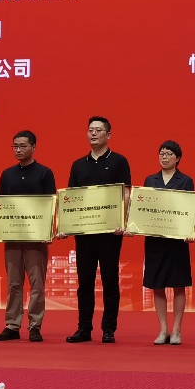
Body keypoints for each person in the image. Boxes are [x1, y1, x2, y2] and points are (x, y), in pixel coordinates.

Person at [64, 116, 131, 345]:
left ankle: (108, 329)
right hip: (85, 233)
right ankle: (84, 328)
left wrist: (123, 222)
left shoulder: (119, 161)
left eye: (98, 130)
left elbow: (125, 194)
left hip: (110, 233)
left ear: (108, 135)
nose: (93, 133)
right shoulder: (78, 164)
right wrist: (67, 225)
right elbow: (72, 198)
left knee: (110, 281)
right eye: (90, 130)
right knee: (85, 283)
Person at [0, 130, 56, 343]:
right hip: (12, 237)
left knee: (37, 284)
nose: (18, 150)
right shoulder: (7, 174)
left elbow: (50, 204)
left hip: (36, 238)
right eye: (15, 146)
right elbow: (0, 205)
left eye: (23, 146)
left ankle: (35, 325)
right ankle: (12, 325)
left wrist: (48, 231)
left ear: (33, 147)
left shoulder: (44, 173)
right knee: (14, 283)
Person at [141, 140, 194, 345]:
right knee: (157, 285)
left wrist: (189, 230)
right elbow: (144, 208)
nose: (164, 157)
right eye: (161, 153)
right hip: (155, 240)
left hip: (177, 241)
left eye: (169, 154)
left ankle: (177, 329)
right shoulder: (150, 180)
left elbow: (189, 209)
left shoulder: (185, 181)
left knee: (178, 284)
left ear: (177, 158)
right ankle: (163, 330)